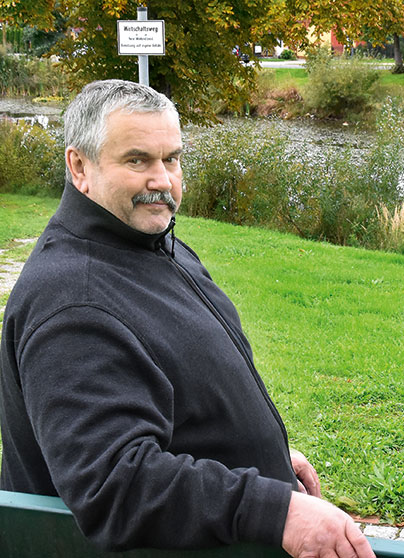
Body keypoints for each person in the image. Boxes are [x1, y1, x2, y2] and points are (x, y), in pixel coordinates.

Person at [0, 79, 374, 558]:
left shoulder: (147, 244)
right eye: (137, 160)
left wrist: (261, 460)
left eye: (171, 159)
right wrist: (273, 508)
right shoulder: (75, 300)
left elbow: (176, 391)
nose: (162, 181)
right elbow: (116, 486)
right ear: (80, 167)